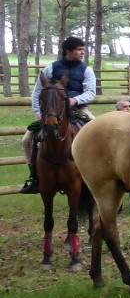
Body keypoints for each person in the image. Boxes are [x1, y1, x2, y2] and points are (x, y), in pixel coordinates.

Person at [20, 37, 96, 194]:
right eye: (79, 50)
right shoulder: (51, 68)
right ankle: (34, 177)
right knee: (26, 140)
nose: (83, 52)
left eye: (83, 49)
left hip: (80, 109)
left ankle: (98, 176)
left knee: (99, 134)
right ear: (69, 51)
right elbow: (37, 92)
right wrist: (38, 112)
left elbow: (91, 93)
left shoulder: (86, 70)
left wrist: (75, 100)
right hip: (52, 111)